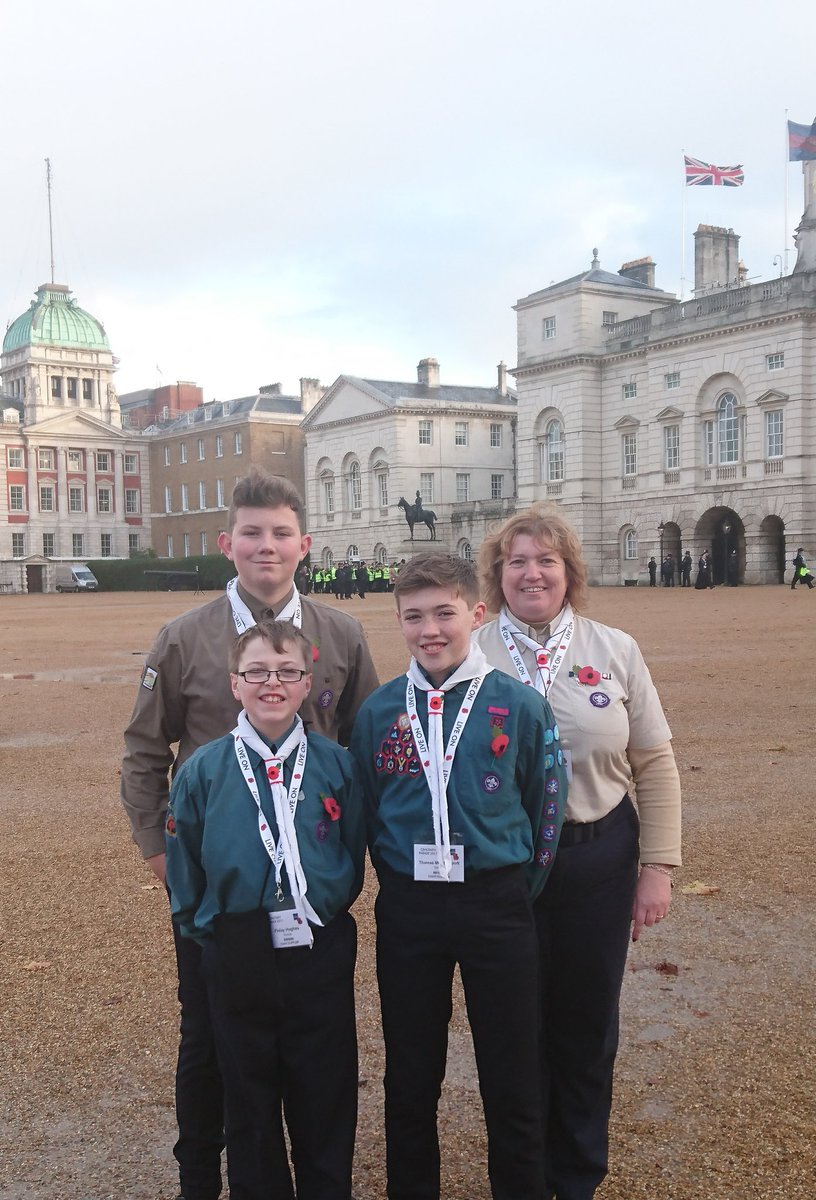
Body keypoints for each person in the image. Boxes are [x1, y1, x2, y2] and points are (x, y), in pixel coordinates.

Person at [121, 467, 379, 1200]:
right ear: (226, 542)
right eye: (252, 534)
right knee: (208, 1039)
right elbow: (144, 753)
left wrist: (346, 864)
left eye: (280, 534)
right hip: (222, 884)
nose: (266, 548)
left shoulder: (342, 634)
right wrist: (160, 854)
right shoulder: (183, 637)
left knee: (314, 1043)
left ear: (304, 544)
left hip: (309, 890)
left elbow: (362, 753)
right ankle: (202, 1178)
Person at [472, 507, 682, 1200]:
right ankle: (522, 1179)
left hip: (597, 861)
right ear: (498, 576)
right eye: (517, 562)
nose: (532, 573)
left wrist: (657, 866)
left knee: (587, 1027)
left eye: (546, 561)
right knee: (514, 1030)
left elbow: (652, 762)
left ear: (569, 574)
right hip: (505, 875)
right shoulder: (471, 654)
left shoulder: (615, 649)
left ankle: (577, 1175)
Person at [350, 553, 568, 1200]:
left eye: (444, 613)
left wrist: (510, 891)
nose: (430, 630)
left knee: (512, 1071)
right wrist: (398, 884)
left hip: (497, 906)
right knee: (411, 1074)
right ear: (399, 621)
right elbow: (365, 809)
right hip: (411, 910)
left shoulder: (519, 706)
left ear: (476, 613)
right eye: (413, 617)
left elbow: (545, 809)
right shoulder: (380, 712)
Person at [166, 620, 365, 1200]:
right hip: (239, 945)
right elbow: (186, 868)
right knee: (248, 1098)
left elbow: (351, 848)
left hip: (317, 944)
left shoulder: (337, 765)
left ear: (307, 684)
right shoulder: (203, 770)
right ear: (234, 683)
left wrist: (324, 910)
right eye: (256, 671)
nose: (270, 683)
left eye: (286, 672)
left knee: (324, 1090)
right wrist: (215, 934)